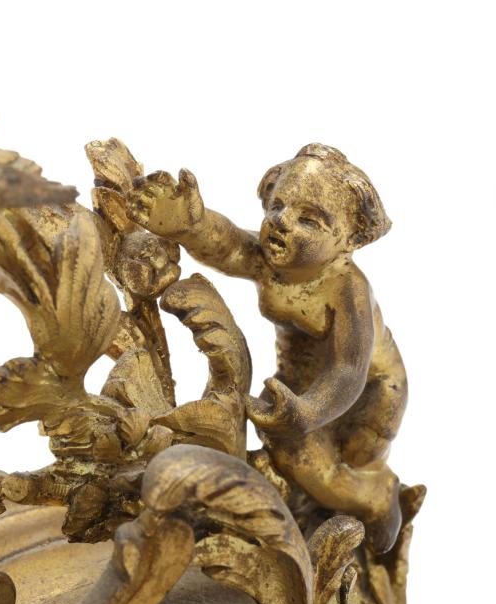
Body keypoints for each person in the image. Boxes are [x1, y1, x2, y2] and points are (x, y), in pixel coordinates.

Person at [125, 143, 407, 553]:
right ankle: (297, 512)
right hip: (299, 381)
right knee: (290, 457)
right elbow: (227, 246)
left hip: (371, 392)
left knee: (323, 467)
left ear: (349, 238)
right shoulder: (271, 262)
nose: (281, 222)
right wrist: (189, 224)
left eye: (309, 219)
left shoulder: (347, 290)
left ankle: (378, 501)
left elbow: (348, 368)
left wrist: (308, 412)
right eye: (277, 206)